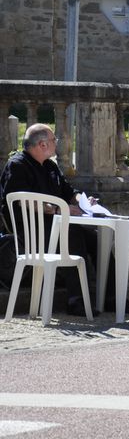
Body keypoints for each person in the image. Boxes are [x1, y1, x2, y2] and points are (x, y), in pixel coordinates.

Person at [0, 124, 104, 315]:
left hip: (56, 226)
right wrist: (58, 209)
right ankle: (76, 301)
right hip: (32, 232)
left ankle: (110, 298)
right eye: (54, 140)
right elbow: (23, 202)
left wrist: (83, 201)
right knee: (72, 236)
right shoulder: (17, 166)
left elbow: (69, 192)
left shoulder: (50, 166)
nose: (57, 143)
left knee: (99, 239)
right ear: (42, 144)